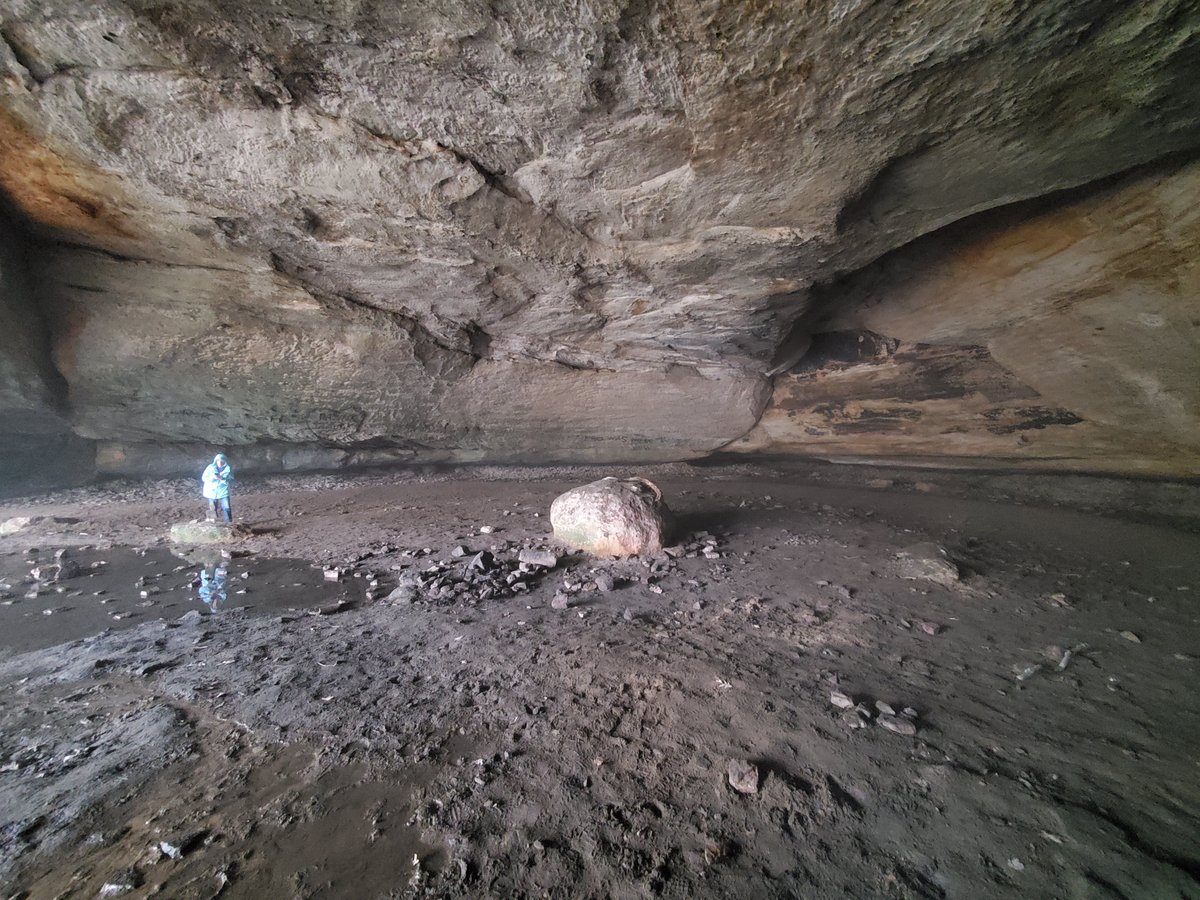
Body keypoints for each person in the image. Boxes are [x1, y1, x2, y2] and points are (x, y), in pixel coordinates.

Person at [201, 453, 234, 522]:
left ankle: (228, 523)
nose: (220, 463)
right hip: (211, 491)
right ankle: (211, 521)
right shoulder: (210, 468)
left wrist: (223, 479)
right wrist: (213, 477)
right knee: (212, 507)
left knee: (226, 507)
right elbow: (204, 478)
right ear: (215, 461)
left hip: (223, 491)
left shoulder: (228, 469)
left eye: (222, 461)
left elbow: (231, 479)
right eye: (218, 461)